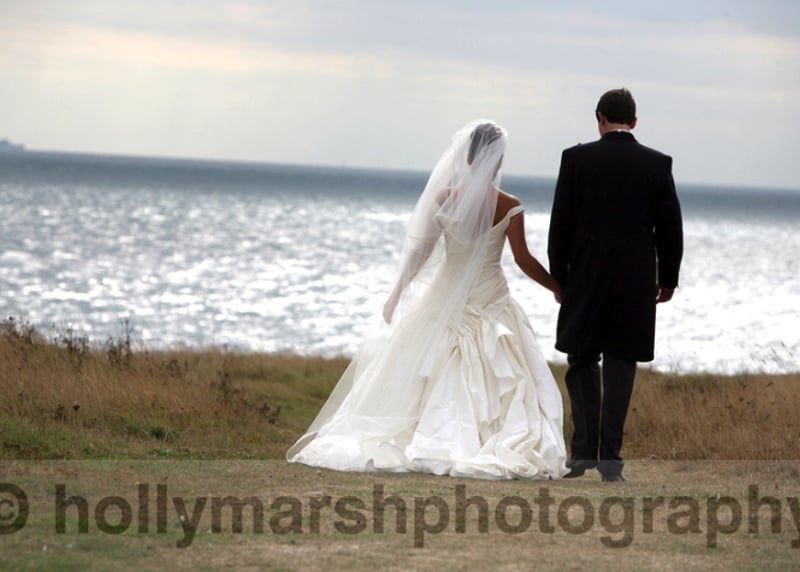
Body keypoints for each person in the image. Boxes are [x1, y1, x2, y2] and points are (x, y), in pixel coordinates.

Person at [287, 120, 568, 479]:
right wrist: (556, 286)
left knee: (429, 363)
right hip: (490, 296)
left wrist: (397, 293)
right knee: (501, 367)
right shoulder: (510, 205)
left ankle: (429, 433)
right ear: (498, 160)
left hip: (447, 293)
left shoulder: (444, 198)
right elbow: (524, 260)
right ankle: (485, 437)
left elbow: (422, 251)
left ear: (468, 156)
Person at [548, 88, 683, 482]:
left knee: (582, 360)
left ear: (600, 118)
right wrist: (668, 279)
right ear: (634, 121)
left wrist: (559, 279)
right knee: (621, 364)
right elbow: (670, 229)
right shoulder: (657, 164)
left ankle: (581, 454)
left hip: (584, 278)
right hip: (635, 281)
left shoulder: (575, 159)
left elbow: (560, 226)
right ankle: (610, 461)